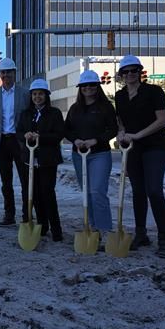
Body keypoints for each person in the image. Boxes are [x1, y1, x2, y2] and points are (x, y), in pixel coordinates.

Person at [115, 55, 165, 258]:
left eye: (134, 70)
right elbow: (121, 121)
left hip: (154, 146)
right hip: (132, 149)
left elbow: (163, 120)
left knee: (154, 191)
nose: (130, 74)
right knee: (138, 191)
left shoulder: (154, 92)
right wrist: (121, 133)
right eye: (126, 71)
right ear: (121, 75)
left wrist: (137, 135)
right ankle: (141, 234)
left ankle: (164, 238)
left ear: (140, 72)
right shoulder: (120, 96)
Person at [64, 70, 118, 241]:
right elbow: (67, 129)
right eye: (84, 85)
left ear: (97, 86)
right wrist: (76, 140)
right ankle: (92, 227)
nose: (88, 88)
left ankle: (104, 229)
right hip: (79, 155)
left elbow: (113, 129)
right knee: (87, 192)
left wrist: (96, 140)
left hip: (99, 154)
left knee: (97, 191)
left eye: (92, 85)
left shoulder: (105, 106)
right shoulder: (75, 108)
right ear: (80, 88)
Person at [16, 79, 64, 242]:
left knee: (47, 193)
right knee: (34, 194)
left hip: (47, 160)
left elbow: (59, 135)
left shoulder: (54, 113)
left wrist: (40, 137)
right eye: (35, 94)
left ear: (46, 96)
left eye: (41, 94)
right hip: (29, 159)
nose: (37, 97)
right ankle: (42, 226)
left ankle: (56, 230)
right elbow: (19, 131)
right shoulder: (26, 113)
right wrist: (25, 135)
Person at [0, 57, 31, 226]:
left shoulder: (24, 94)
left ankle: (26, 215)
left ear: (14, 73)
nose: (6, 75)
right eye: (3, 72)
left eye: (9, 72)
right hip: (2, 142)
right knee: (6, 182)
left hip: (19, 142)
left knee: (25, 180)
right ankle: (9, 214)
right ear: (0, 75)